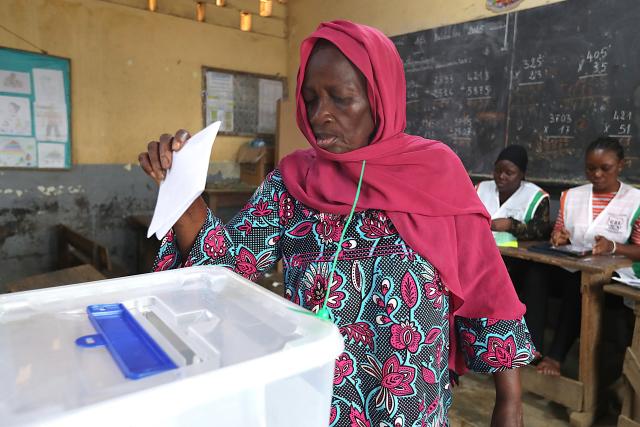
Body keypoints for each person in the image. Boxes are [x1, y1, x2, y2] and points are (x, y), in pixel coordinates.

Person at [139, 21, 534, 425]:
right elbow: (225, 266)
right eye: (310, 100)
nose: (319, 115)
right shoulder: (291, 184)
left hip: (409, 408)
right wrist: (182, 191)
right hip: (315, 403)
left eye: (341, 99)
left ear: (380, 98)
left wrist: (509, 402)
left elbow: (486, 287)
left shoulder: (435, 173)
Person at [537, 137, 640, 376]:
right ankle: (529, 351)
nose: (597, 174)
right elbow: (559, 231)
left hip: (614, 276)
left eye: (606, 168)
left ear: (621, 165)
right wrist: (559, 237)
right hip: (571, 266)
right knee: (536, 274)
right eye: (590, 168)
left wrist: (613, 246)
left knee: (580, 285)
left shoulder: (635, 200)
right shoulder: (571, 196)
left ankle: (556, 356)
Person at [476, 145, 551, 355]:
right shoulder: (481, 188)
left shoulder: (537, 196)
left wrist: (511, 225)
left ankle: (530, 347)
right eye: (498, 170)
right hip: (482, 256)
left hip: (517, 260)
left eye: (509, 172)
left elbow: (542, 230)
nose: (501, 176)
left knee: (535, 279)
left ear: (522, 174)